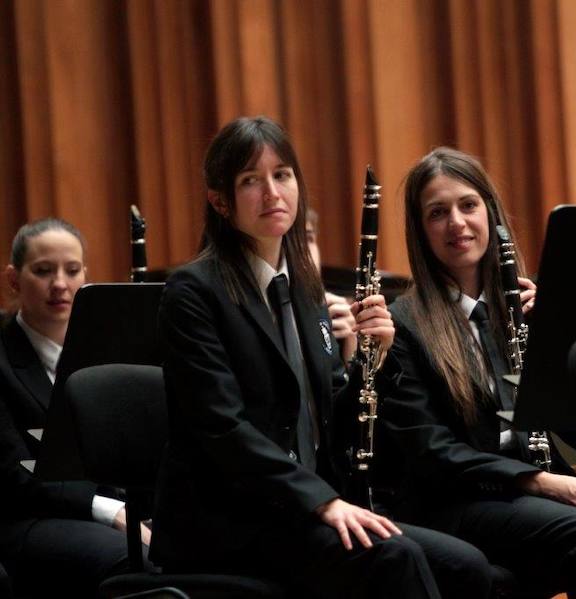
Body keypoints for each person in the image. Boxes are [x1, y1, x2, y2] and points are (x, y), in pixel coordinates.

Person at [150, 116, 492, 598]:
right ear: (220, 201)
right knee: (396, 559)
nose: (272, 193)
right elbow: (221, 428)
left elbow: (336, 416)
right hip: (233, 519)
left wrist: (375, 359)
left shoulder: (306, 287)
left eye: (282, 175)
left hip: (301, 507)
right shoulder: (194, 292)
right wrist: (322, 503)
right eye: (251, 180)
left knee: (466, 566)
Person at [380, 147, 576, 599]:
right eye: (438, 212)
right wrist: (536, 481)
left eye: (468, 205)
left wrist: (559, 333)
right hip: (454, 500)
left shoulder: (521, 309)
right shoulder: (404, 325)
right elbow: (432, 451)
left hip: (526, 487)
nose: (457, 222)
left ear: (490, 214)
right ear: (421, 230)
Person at [0, 218, 142, 596]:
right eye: (44, 271)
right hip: (26, 520)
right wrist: (110, 512)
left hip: (112, 510)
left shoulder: (108, 347)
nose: (60, 284)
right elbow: (13, 477)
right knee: (135, 562)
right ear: (14, 280)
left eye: (72, 270)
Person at [306, 208, 358, 363]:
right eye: (292, 240)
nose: (304, 251)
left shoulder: (339, 311)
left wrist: (351, 349)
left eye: (309, 239)